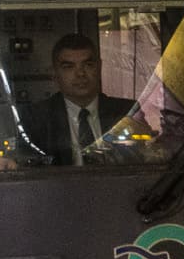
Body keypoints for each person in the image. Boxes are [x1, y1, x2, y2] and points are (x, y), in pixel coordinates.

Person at [12, 34, 136, 167]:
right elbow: (24, 163)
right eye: (69, 67)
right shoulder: (35, 118)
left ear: (99, 67)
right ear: (54, 73)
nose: (80, 74)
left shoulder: (127, 112)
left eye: (88, 65)